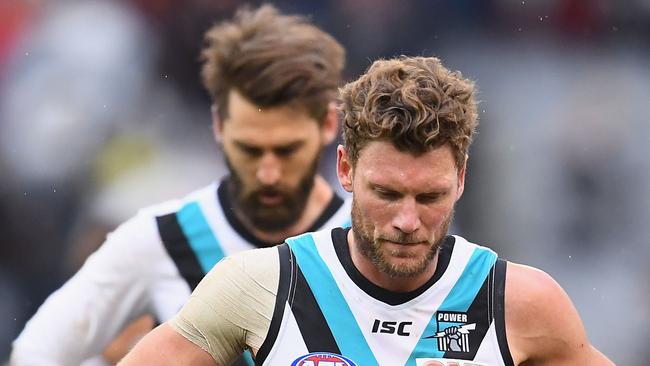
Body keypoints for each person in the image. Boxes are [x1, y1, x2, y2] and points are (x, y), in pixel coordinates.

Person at [118, 55, 614, 366]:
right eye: (387, 193)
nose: (407, 221)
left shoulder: (521, 304)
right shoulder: (259, 288)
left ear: (461, 179)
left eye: (430, 197)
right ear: (345, 169)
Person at [10, 5, 348, 365]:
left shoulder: (367, 244)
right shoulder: (162, 240)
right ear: (219, 126)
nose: (267, 172)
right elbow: (37, 352)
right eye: (248, 149)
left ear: (328, 125)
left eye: (287, 149)